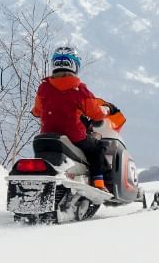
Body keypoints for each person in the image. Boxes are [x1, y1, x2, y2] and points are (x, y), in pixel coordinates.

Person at [30, 45, 126, 189]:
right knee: (97, 147)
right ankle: (99, 182)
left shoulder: (44, 87)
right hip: (74, 135)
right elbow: (96, 113)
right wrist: (107, 109)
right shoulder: (79, 89)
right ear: (74, 65)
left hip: (48, 134)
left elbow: (37, 111)